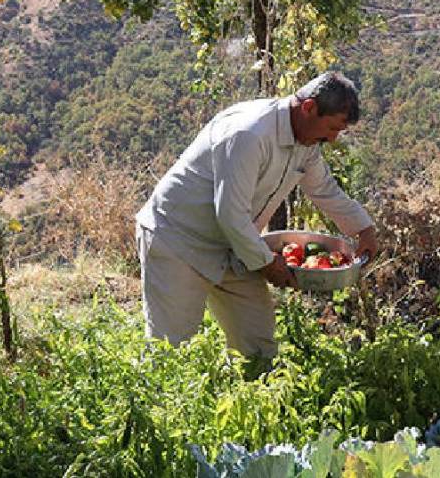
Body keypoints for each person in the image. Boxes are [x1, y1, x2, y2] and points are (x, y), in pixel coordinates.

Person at [134, 71, 378, 359]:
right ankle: (160, 403)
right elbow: (231, 213)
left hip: (235, 246)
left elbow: (324, 190)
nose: (333, 139)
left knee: (258, 344)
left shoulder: (307, 144)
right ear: (309, 107)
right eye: (332, 128)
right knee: (170, 350)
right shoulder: (249, 134)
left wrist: (364, 229)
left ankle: (253, 398)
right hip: (179, 240)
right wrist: (267, 264)